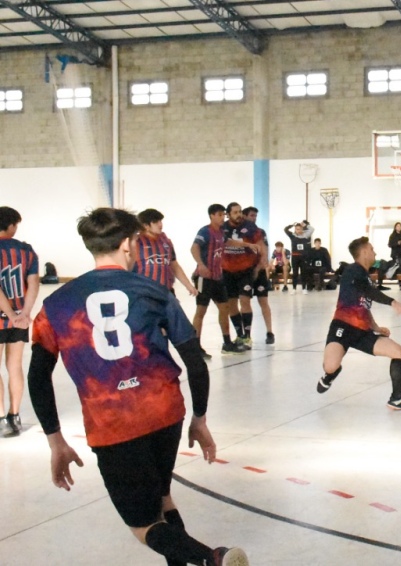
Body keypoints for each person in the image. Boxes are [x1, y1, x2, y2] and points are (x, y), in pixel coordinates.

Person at [26, 207, 249, 566]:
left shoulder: (56, 305)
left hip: (113, 423)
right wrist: (200, 418)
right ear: (130, 245)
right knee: (162, 498)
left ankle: (213, 559)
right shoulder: (155, 291)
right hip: (164, 410)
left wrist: (55, 440)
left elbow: (38, 376)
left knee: (143, 526)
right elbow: (194, 360)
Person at [315, 236, 401, 410]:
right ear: (364, 252)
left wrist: (376, 327)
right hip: (342, 328)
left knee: (399, 352)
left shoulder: (366, 275)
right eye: (372, 249)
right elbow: (368, 291)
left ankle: (397, 398)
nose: (375, 252)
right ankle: (330, 375)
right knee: (331, 366)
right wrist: (392, 302)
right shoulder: (352, 270)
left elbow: (364, 306)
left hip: (362, 332)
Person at [0, 206, 39, 437]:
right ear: (12, 225)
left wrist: (9, 315)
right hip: (18, 320)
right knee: (14, 366)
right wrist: (23, 314)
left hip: (4, 317)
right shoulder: (26, 251)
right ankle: (14, 416)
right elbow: (33, 284)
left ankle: (1, 416)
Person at [191, 204, 242, 356]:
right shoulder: (205, 231)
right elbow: (194, 248)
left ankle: (227, 342)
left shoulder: (221, 232)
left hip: (217, 278)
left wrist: (247, 245)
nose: (222, 218)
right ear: (212, 215)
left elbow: (228, 242)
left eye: (223, 215)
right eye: (219, 215)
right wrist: (201, 265)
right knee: (201, 311)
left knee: (224, 308)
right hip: (204, 278)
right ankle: (196, 346)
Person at [221, 203, 264, 349]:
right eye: (235, 212)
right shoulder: (223, 228)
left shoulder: (251, 227)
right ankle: (239, 334)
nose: (238, 214)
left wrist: (259, 267)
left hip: (245, 270)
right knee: (231, 304)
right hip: (227, 271)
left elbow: (261, 246)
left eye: (240, 212)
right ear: (228, 214)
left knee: (245, 301)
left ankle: (247, 336)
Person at [135, 209, 198, 297]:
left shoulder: (166, 241)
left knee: (176, 311)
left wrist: (188, 285)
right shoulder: (136, 242)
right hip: (145, 292)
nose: (160, 224)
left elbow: (174, 264)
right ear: (146, 226)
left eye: (160, 221)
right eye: (156, 222)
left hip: (167, 290)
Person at [243, 207, 274, 345]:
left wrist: (259, 268)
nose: (254, 218)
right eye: (251, 215)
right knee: (245, 302)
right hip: (245, 272)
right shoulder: (240, 233)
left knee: (264, 302)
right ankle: (246, 334)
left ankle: (269, 332)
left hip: (259, 271)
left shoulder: (260, 232)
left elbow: (264, 252)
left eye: (255, 216)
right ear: (244, 216)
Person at [283, 221, 313, 294]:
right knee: (295, 273)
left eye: (299, 229)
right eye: (296, 229)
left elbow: (312, 229)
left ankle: (304, 288)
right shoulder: (293, 236)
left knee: (303, 273)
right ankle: (294, 288)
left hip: (303, 257)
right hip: (295, 257)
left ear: (302, 229)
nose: (298, 230)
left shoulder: (306, 235)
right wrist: (291, 225)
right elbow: (285, 230)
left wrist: (306, 224)